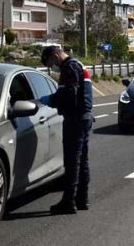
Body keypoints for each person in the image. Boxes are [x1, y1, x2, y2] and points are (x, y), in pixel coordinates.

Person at [39, 46, 93, 215]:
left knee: (72, 162)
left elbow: (69, 95)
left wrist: (48, 100)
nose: (52, 68)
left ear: (55, 55)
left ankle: (69, 202)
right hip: (85, 118)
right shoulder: (78, 65)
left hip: (75, 120)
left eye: (50, 63)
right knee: (82, 161)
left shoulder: (69, 68)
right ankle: (82, 199)